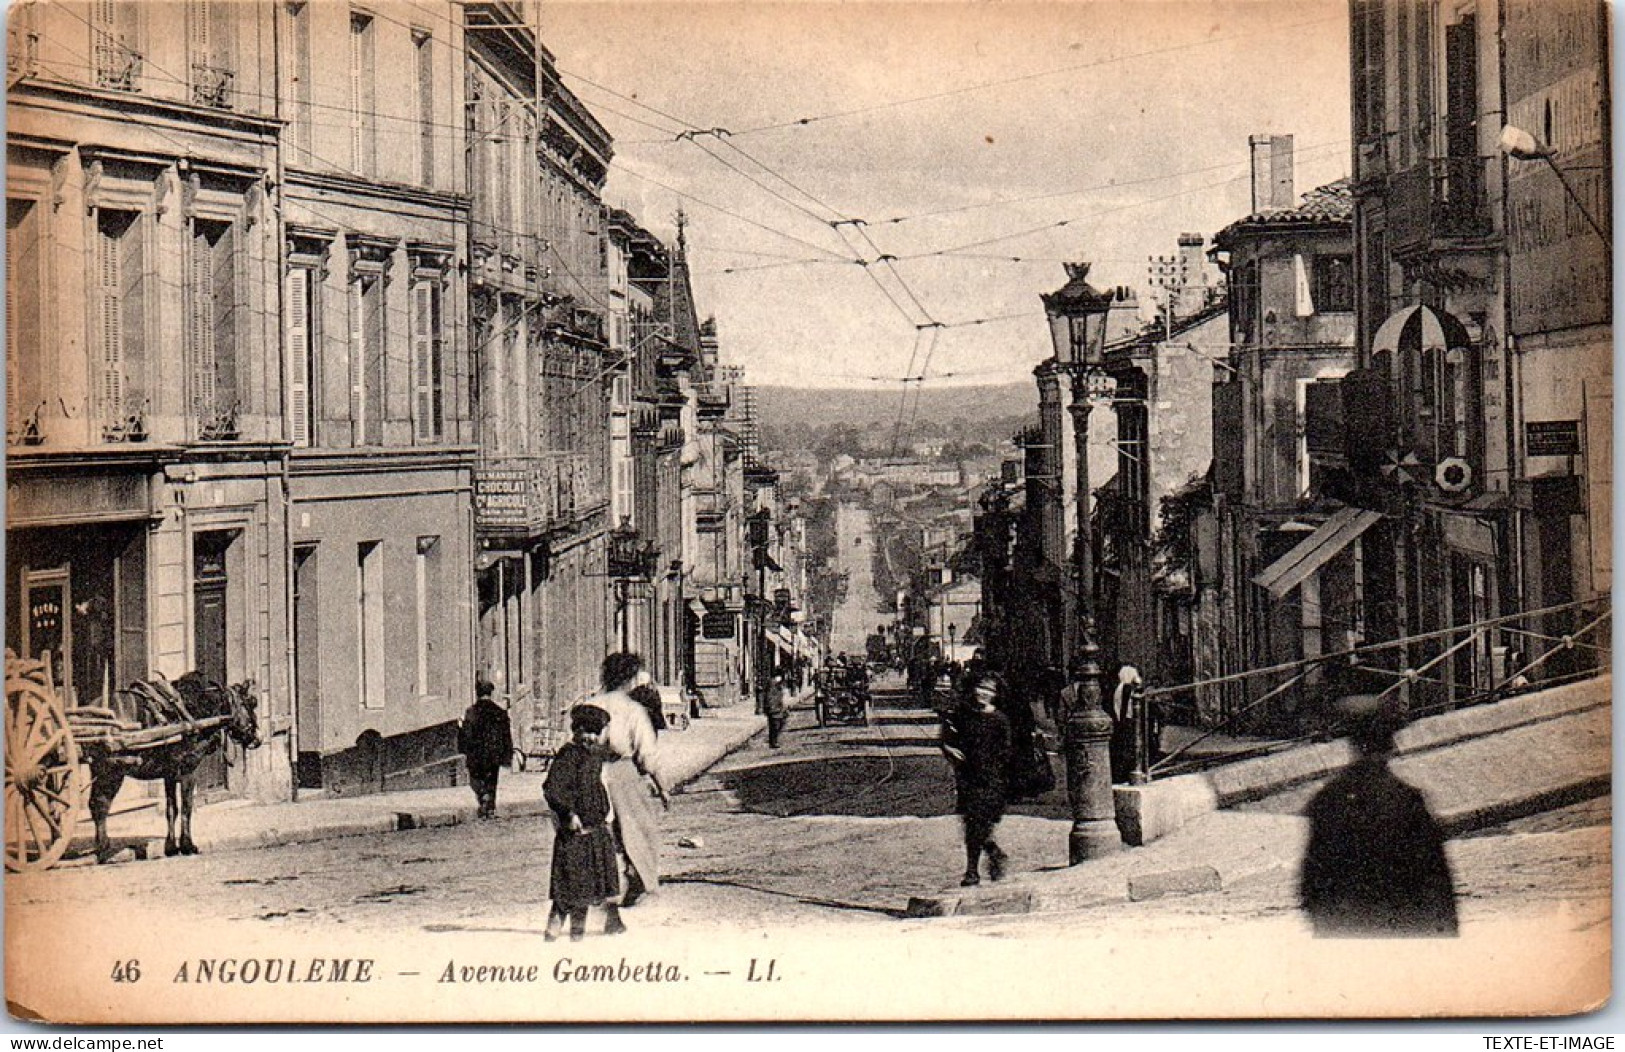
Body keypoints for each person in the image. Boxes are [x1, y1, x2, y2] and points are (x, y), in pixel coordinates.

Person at [1299, 693, 1458, 938]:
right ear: (1390, 745)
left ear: (1351, 743)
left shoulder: (1328, 802)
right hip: (1399, 940)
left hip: (1346, 942)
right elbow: (1438, 892)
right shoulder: (1409, 802)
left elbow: (1311, 888)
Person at [585, 652, 670, 908]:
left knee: (599, 831)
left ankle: (599, 888)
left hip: (591, 771)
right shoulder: (633, 710)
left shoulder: (591, 704)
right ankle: (640, 881)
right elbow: (647, 754)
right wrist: (662, 786)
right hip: (623, 772)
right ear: (630, 678)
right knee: (639, 830)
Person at [543, 705, 626, 942]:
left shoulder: (594, 755)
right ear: (575, 731)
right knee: (568, 889)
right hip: (575, 834)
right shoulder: (568, 756)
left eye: (595, 732)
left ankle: (576, 937)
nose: (590, 737)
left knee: (587, 891)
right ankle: (551, 933)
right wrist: (568, 814)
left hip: (595, 830)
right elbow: (552, 789)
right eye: (585, 732)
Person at [941, 673, 1012, 887]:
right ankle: (980, 863)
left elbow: (1006, 752)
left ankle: (983, 860)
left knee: (979, 823)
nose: (983, 693)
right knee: (973, 822)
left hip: (992, 779)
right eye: (981, 688)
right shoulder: (964, 715)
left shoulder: (1000, 720)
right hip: (967, 775)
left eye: (989, 690)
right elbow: (947, 737)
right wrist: (948, 749)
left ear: (996, 695)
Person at [457, 679, 513, 819]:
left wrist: (463, 748)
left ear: (477, 693)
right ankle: (490, 806)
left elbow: (467, 735)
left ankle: (483, 797)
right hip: (493, 755)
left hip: (476, 755)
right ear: (490, 693)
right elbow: (506, 735)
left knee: (476, 779)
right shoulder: (500, 712)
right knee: (492, 780)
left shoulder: (471, 712)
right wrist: (507, 754)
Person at [1107, 665, 1143, 784]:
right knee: (1128, 748)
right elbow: (1124, 706)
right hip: (1127, 720)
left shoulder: (1119, 687)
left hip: (1120, 721)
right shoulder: (1127, 688)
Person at [762, 670, 789, 748]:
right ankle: (773, 742)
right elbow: (770, 697)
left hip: (777, 708)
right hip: (774, 708)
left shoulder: (777, 684)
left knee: (778, 724)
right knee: (775, 725)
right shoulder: (772, 684)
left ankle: (773, 741)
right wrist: (772, 707)